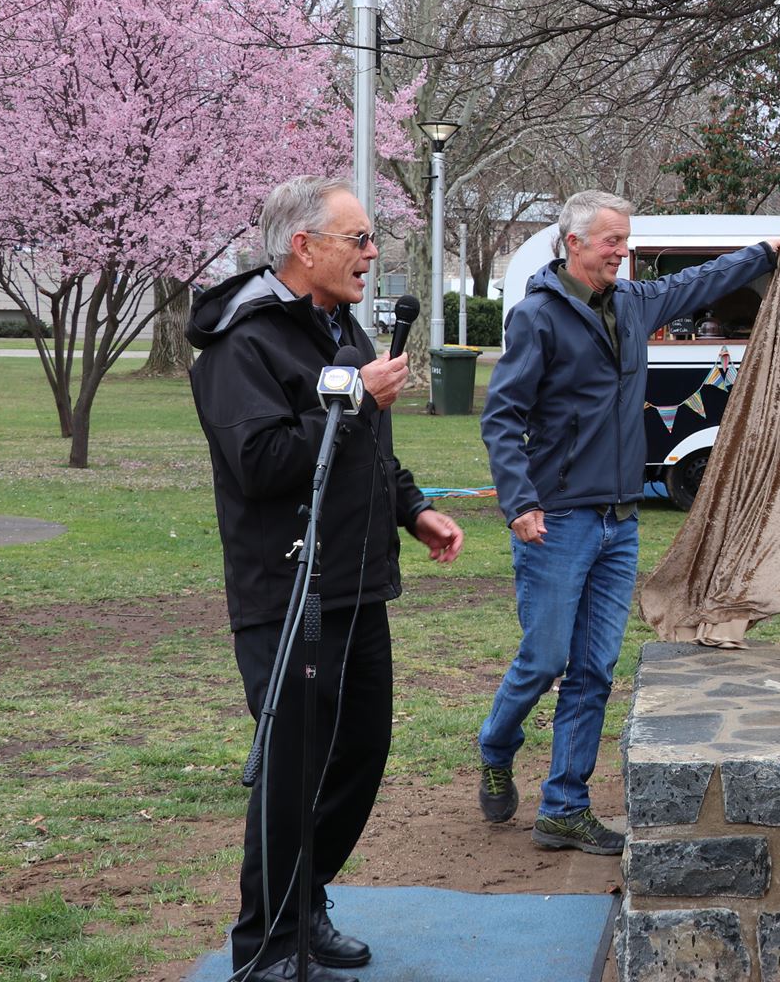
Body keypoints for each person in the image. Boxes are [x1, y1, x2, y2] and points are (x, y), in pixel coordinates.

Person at [188, 176, 464, 982]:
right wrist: (353, 407)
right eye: (360, 239)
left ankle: (305, 902)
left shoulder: (336, 326)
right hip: (287, 593)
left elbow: (368, 451)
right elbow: (261, 463)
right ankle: (267, 944)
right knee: (293, 770)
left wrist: (413, 510)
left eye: (372, 240)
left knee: (360, 755)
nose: (373, 255)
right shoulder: (244, 344)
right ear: (304, 247)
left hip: (357, 583)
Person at [476, 191, 780, 851]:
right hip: (557, 520)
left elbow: (699, 280)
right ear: (575, 244)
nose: (623, 251)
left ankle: (563, 806)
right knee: (545, 658)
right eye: (612, 241)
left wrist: (764, 253)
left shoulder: (634, 303)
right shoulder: (538, 318)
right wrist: (520, 502)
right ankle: (496, 743)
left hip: (620, 521)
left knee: (593, 668)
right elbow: (502, 415)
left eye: (626, 240)